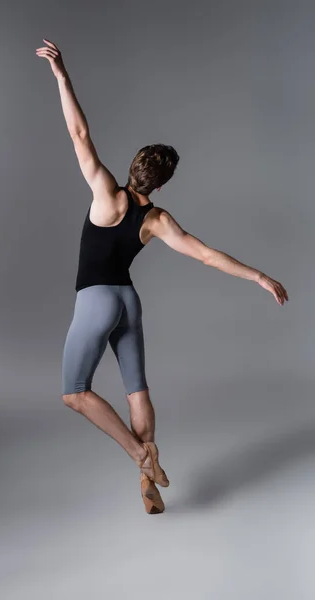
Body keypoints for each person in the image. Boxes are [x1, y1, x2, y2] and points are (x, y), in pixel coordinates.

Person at [36, 38, 289, 514]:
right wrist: (259, 277)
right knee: (137, 389)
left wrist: (61, 76)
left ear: (134, 166)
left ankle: (141, 457)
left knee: (75, 393)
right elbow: (208, 256)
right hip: (129, 303)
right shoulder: (158, 221)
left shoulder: (106, 196)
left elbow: (80, 135)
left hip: (96, 301)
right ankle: (147, 487)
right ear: (161, 182)